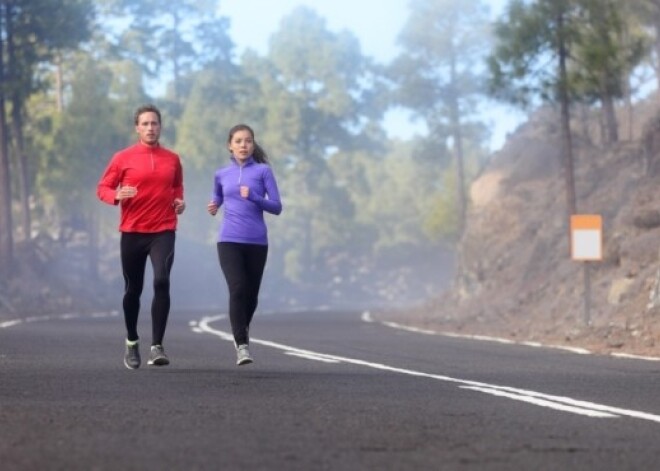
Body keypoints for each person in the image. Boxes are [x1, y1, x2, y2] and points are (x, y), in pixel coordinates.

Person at [97, 104, 185, 370]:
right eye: (145, 124)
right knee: (133, 289)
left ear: (160, 127)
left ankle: (157, 345)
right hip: (133, 231)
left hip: (163, 229)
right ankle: (132, 341)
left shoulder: (172, 158)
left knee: (161, 280)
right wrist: (115, 196)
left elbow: (177, 186)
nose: (150, 128)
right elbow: (103, 187)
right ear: (137, 128)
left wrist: (180, 202)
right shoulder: (122, 158)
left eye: (154, 123)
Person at [207, 124, 282, 366]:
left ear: (253, 144)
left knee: (251, 295)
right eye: (238, 141)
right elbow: (218, 195)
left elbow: (277, 207)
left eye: (248, 141)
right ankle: (241, 344)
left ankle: (242, 328)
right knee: (238, 288)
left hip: (257, 242)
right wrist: (214, 204)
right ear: (230, 145)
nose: (243, 145)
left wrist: (255, 197)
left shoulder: (263, 172)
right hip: (228, 240)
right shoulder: (221, 174)